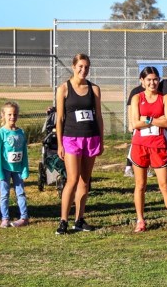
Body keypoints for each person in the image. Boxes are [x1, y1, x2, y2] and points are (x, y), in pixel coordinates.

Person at [128, 67, 167, 232]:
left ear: (159, 80)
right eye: (148, 80)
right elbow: (135, 124)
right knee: (140, 185)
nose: (152, 83)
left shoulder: (165, 97)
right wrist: (155, 120)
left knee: (164, 185)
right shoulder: (136, 98)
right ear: (142, 81)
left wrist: (147, 118)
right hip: (140, 146)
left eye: (155, 79)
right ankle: (140, 220)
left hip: (159, 145)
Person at [55, 53, 104, 235]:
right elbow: (59, 118)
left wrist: (101, 138)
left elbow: (98, 116)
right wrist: (60, 143)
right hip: (71, 138)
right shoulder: (64, 89)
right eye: (80, 66)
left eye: (86, 67)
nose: (83, 70)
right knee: (72, 180)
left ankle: (79, 219)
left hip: (91, 137)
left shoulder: (95, 89)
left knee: (85, 181)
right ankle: (63, 220)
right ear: (73, 66)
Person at [0, 101, 30, 228]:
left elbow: (24, 152)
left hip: (18, 169)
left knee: (20, 193)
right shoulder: (1, 133)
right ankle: (5, 218)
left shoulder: (21, 132)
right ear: (3, 115)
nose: (12, 117)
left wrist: (25, 169)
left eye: (14, 114)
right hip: (5, 169)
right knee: (4, 194)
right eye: (9, 114)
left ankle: (24, 217)